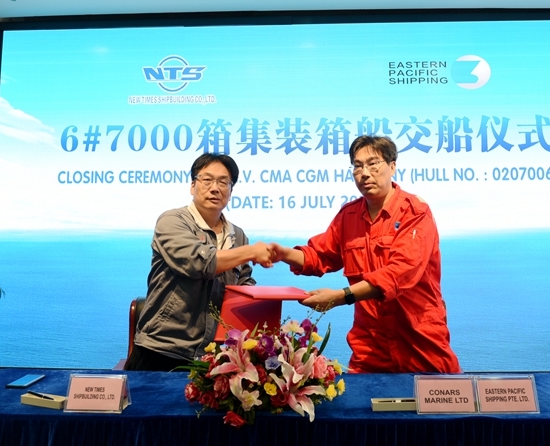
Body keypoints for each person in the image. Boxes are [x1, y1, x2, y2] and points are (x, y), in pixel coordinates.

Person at [270, 135, 461, 374]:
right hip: (370, 345)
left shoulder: (414, 212)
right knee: (362, 397)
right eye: (358, 166)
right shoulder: (348, 216)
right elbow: (320, 256)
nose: (364, 173)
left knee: (442, 396)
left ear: (392, 166)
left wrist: (340, 297)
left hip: (419, 338)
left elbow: (399, 272)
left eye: (373, 164)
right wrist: (283, 253)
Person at [125, 153, 274, 371]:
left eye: (223, 182)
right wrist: (250, 252)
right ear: (193, 186)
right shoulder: (172, 221)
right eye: (207, 180)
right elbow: (199, 262)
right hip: (161, 349)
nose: (215, 188)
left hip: (212, 355)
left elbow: (243, 284)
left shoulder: (238, 236)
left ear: (231, 190)